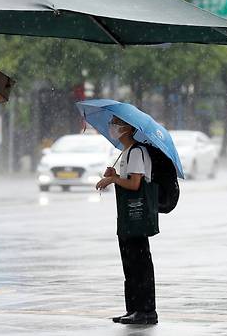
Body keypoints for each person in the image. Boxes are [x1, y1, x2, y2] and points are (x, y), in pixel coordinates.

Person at [96, 117, 158, 325]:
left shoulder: (137, 152)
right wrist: (115, 174)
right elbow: (128, 181)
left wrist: (113, 179)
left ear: (128, 128)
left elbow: (134, 184)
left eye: (115, 123)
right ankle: (133, 309)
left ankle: (147, 311)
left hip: (137, 218)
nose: (112, 126)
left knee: (140, 265)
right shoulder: (127, 152)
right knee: (130, 265)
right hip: (128, 217)